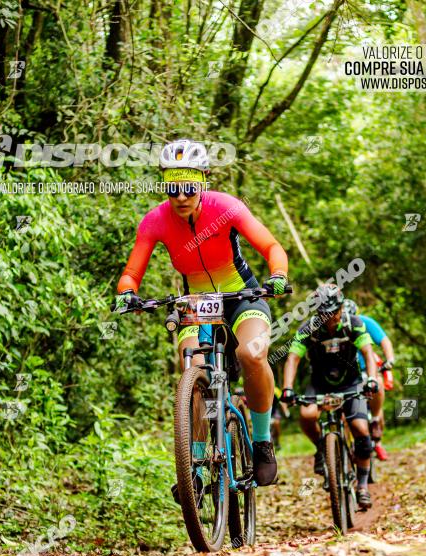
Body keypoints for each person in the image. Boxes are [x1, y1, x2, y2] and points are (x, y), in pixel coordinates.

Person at [115, 139, 289, 488]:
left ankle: (261, 442)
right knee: (192, 372)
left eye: (189, 187)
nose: (181, 197)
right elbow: (131, 273)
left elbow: (272, 247)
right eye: (173, 188)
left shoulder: (227, 207)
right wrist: (126, 294)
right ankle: (192, 467)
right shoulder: (155, 221)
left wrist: (278, 276)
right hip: (195, 304)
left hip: (242, 295)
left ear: (203, 181)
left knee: (252, 353)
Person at [281, 285, 378, 510]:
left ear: (341, 308)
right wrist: (287, 387)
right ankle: (321, 447)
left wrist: (371, 379)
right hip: (319, 383)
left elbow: (368, 354)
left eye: (332, 313)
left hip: (351, 382)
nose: (329, 319)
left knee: (361, 430)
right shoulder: (308, 329)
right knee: (306, 414)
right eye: (323, 314)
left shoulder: (354, 324)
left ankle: (362, 486)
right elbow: (293, 359)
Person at [342, 299, 394, 461]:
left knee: (377, 384)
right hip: (345, 374)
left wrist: (390, 359)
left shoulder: (365, 322)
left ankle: (376, 423)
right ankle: (344, 448)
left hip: (366, 370)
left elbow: (384, 341)